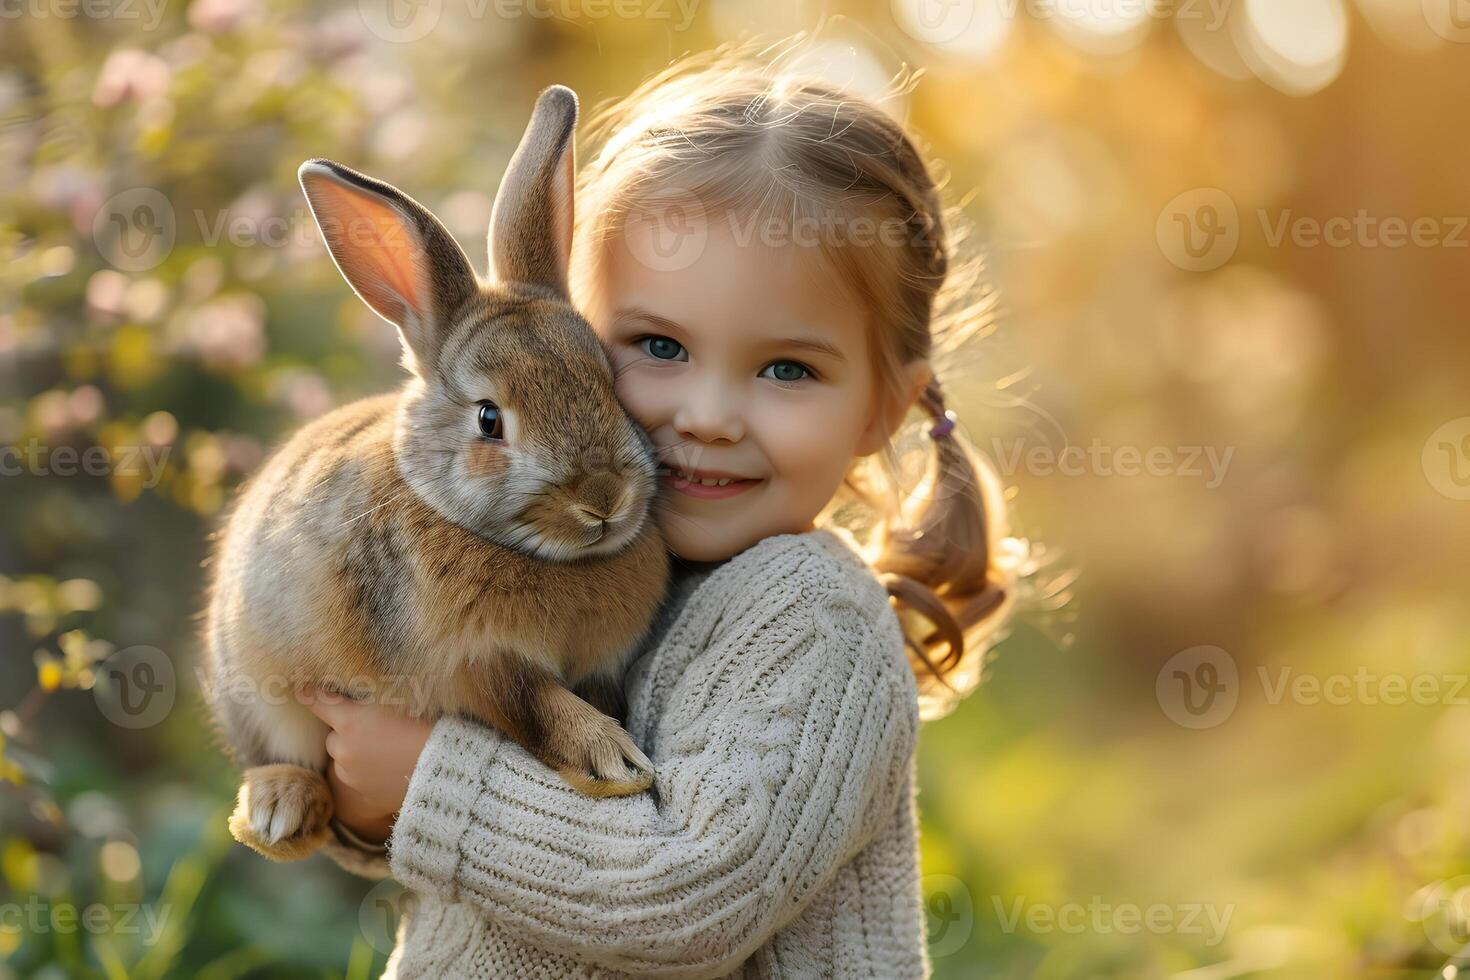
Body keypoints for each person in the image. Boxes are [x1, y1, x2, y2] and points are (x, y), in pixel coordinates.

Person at [298, 40, 1022, 979]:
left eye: (786, 369)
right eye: (657, 347)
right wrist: (361, 798)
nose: (708, 418)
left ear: (883, 407)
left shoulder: (813, 620)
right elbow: (464, 838)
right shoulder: (581, 562)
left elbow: (691, 901)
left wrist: (432, 783)